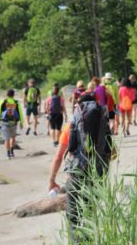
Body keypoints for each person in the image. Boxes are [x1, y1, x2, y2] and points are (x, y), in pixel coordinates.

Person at [48, 92, 111, 230]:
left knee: (74, 217)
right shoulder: (102, 122)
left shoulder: (70, 126)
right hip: (98, 175)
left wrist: (52, 180)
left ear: (79, 106)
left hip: (77, 173)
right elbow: (111, 152)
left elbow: (58, 157)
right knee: (90, 214)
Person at [0, 89, 24, 159]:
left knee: (6, 139)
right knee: (13, 138)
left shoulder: (3, 101)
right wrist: (21, 122)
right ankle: (12, 151)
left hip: (5, 123)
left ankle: (8, 153)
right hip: (14, 122)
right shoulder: (16, 102)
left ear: (6, 94)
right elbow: (20, 113)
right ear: (13, 95)